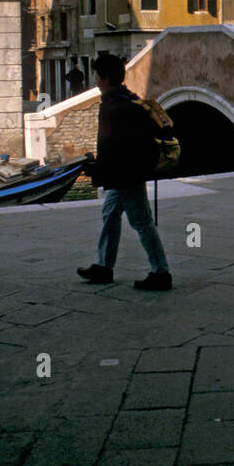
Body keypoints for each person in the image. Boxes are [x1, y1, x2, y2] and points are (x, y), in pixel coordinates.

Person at [77, 54, 172, 290]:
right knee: (110, 214)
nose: (96, 81)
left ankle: (161, 272)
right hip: (129, 172)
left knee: (141, 221)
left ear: (105, 78)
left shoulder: (113, 108)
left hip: (126, 175)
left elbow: (111, 148)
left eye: (97, 76)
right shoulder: (130, 100)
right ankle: (103, 266)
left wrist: (96, 171)